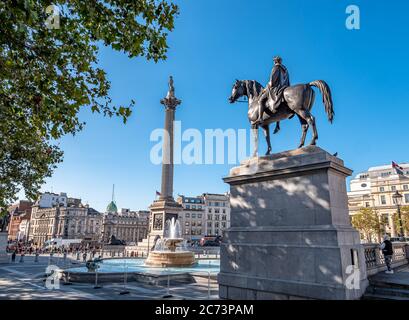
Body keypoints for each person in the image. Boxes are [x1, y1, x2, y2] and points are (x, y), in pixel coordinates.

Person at [257, 56, 290, 124]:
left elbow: (272, 81)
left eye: (274, 61)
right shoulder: (285, 69)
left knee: (260, 100)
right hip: (284, 86)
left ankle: (260, 118)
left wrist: (266, 87)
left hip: (276, 88)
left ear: (275, 61)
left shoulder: (275, 68)